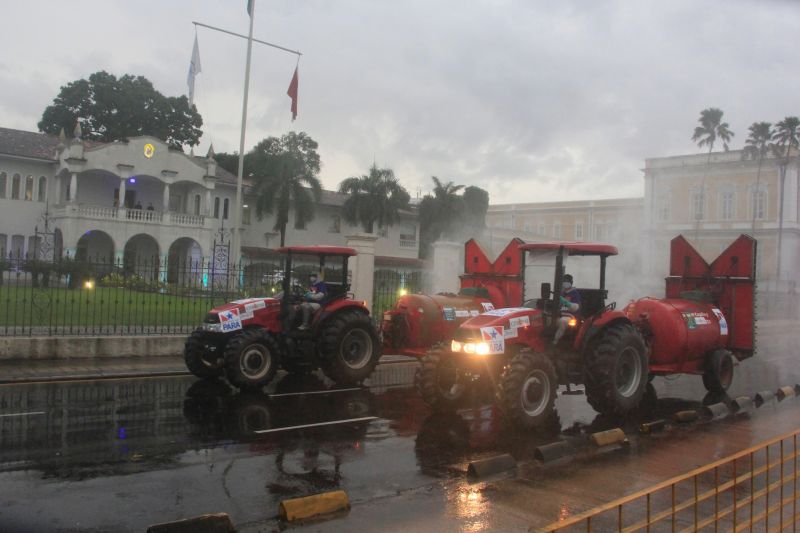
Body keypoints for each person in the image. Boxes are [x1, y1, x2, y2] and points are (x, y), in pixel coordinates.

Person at [553, 274, 581, 345]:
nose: (565, 282)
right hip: (559, 314)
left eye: (566, 281)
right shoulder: (562, 293)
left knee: (563, 322)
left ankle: (555, 341)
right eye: (564, 281)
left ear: (571, 282)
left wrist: (566, 302)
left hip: (569, 316)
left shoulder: (575, 293)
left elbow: (575, 307)